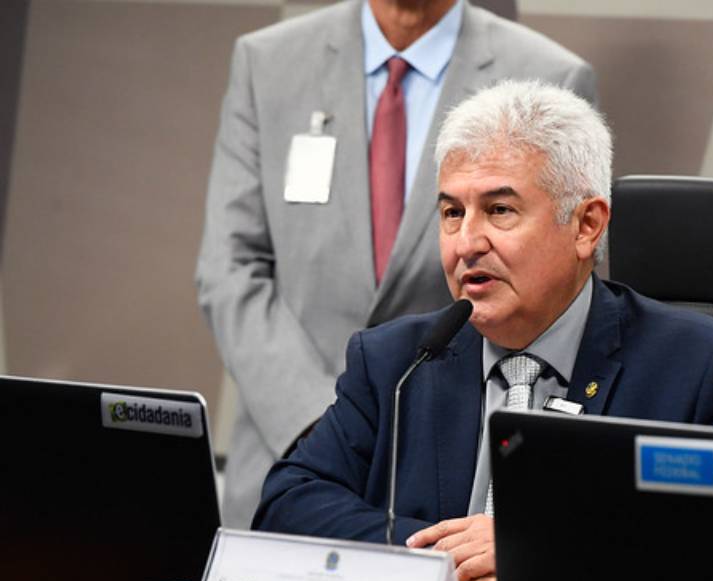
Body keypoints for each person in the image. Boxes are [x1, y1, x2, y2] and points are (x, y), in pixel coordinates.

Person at [253, 80, 713, 581]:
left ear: (587, 226)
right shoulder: (399, 361)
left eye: (500, 210)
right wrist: (440, 557)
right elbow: (286, 504)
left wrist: (538, 549)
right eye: (452, 213)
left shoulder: (698, 368)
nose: (467, 243)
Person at [195, 0, 596, 528]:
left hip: (449, 485)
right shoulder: (267, 60)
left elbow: (561, 283)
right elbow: (231, 267)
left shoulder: (547, 73)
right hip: (291, 455)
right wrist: (328, 426)